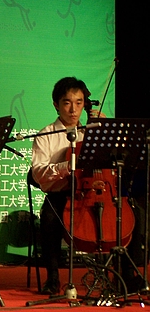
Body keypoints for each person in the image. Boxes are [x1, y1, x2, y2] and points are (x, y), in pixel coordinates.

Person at [31, 76, 97, 295]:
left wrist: (102, 127)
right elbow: (38, 174)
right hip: (59, 195)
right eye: (67, 102)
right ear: (56, 104)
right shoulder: (46, 135)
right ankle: (52, 278)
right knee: (50, 218)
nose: (73, 109)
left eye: (79, 103)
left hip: (89, 194)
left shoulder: (91, 131)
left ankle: (124, 275)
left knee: (127, 213)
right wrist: (67, 166)